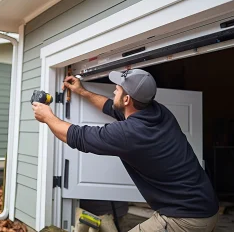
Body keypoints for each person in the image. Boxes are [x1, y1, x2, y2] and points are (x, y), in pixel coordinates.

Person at [32, 69, 219, 232]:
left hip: (186, 219)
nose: (114, 90)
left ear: (127, 99)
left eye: (118, 89)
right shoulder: (158, 111)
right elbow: (111, 107)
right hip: (205, 204)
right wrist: (82, 91)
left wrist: (47, 117)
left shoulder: (130, 134)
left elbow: (77, 137)